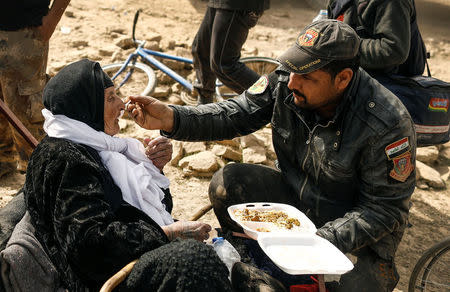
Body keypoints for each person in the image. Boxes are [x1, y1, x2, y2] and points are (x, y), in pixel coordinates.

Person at [127, 19, 417, 291]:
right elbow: (235, 114)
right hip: (296, 205)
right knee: (227, 183)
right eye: (292, 70)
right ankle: (246, 256)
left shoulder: (386, 123)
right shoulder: (287, 80)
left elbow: (383, 210)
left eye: (306, 77)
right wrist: (171, 119)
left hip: (353, 232)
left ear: (342, 79)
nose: (292, 83)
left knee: (346, 284)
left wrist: (317, 241)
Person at [20, 59, 231, 291]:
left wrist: (154, 168)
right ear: (85, 107)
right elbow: (89, 243)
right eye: (110, 98)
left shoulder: (100, 146)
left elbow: (155, 208)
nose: (121, 104)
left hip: (128, 259)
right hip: (101, 278)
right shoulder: (65, 158)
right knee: (193, 261)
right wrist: (166, 233)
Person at [0, 0, 71, 178]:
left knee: (27, 110)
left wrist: (50, 22)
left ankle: (38, 176)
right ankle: (4, 161)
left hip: (24, 32)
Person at [191, 0, 270, 104]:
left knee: (224, 64)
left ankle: (276, 103)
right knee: (201, 50)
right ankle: (205, 105)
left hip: (238, 4)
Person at [326, 0, 426, 77]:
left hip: (385, 82)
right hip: (351, 71)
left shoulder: (393, 3)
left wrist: (344, 47)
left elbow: (393, 50)